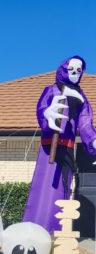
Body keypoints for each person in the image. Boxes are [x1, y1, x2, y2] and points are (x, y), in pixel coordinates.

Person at [23, 56, 96, 233]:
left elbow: (85, 123)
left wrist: (93, 140)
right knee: (45, 183)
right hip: (50, 145)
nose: (75, 73)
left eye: (79, 71)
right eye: (71, 69)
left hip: (68, 146)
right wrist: (48, 115)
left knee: (64, 184)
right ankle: (35, 228)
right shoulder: (52, 90)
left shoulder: (81, 96)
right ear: (63, 69)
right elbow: (42, 109)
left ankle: (57, 230)